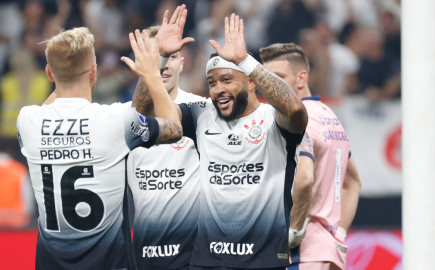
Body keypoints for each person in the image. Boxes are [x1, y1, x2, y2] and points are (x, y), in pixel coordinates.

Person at [132, 14, 308, 270]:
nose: (218, 90)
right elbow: (142, 115)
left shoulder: (274, 120)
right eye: (212, 83)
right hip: (207, 262)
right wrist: (158, 59)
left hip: (263, 260)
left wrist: (245, 61)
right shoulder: (202, 115)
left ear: (250, 82)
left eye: (227, 80)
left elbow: (295, 110)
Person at [17, 27, 182, 270]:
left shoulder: (27, 120)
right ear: (94, 71)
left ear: (49, 73)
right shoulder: (115, 119)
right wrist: (153, 71)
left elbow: (52, 103)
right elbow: (175, 128)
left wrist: (64, 68)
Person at [260, 43, 362, 270]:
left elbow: (304, 180)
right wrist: (338, 232)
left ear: (301, 78)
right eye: (265, 79)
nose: (269, 86)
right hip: (327, 252)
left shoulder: (297, 121)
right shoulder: (328, 114)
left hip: (301, 254)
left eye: (278, 77)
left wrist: (294, 232)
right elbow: (353, 182)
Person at [126, 5, 204, 270]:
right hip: (143, 253)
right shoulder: (126, 117)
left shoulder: (203, 111)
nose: (164, 64)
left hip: (195, 255)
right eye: (156, 57)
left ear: (183, 62)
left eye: (170, 56)